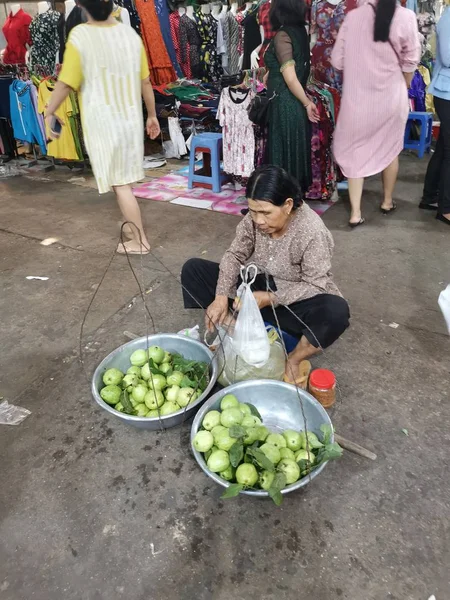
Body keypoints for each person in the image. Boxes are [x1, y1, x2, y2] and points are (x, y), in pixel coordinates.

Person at [181, 165, 350, 381]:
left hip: (294, 301)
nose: (259, 220)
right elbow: (234, 255)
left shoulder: (312, 231)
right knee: (193, 270)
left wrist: (271, 298)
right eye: (253, 211)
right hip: (261, 287)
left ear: (288, 205)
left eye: (266, 213)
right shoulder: (254, 220)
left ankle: (294, 358)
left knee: (336, 312)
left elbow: (315, 285)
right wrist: (221, 296)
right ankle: (238, 332)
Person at [45, 0, 160, 254]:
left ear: (83, 7)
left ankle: (140, 241)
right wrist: (152, 115)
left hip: (103, 121)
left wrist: (49, 110)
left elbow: (65, 83)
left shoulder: (81, 35)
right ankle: (132, 228)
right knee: (123, 181)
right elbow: (145, 82)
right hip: (129, 119)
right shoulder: (129, 35)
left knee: (120, 183)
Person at [331, 0, 420, 227]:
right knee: (390, 148)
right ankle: (387, 201)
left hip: (357, 101)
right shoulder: (406, 17)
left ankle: (355, 212)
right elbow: (410, 62)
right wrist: (403, 86)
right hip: (391, 99)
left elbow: (337, 61)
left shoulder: (353, 17)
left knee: (355, 151)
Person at [263, 0, 320, 192]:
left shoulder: (283, 35)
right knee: (293, 152)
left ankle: (280, 198)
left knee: (282, 152)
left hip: (285, 102)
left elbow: (290, 77)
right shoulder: (300, 32)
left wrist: (307, 103)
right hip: (293, 102)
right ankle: (293, 197)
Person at [421, 0, 450, 226]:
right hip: (446, 91)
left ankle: (430, 197)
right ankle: (446, 208)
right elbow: (448, 57)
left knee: (443, 148)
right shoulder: (449, 17)